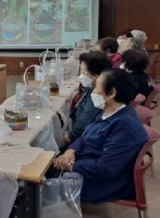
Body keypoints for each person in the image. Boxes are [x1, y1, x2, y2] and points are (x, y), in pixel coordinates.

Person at [53, 69, 149, 202]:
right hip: (85, 164)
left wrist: (70, 166)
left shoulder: (125, 127)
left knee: (37, 176)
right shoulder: (108, 112)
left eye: (97, 87)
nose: (93, 92)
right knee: (43, 162)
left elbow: (105, 169)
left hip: (101, 184)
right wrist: (71, 151)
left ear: (111, 93)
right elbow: (84, 135)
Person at [64, 51, 112, 145]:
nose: (80, 75)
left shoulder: (97, 96)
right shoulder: (90, 88)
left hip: (81, 140)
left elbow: (84, 121)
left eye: (82, 71)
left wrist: (70, 135)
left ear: (95, 75)